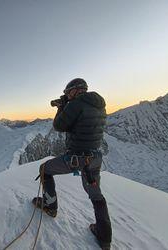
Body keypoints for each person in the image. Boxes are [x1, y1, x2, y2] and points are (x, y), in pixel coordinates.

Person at [32, 78, 112, 250]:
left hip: (77, 158)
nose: (67, 95)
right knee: (97, 196)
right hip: (94, 158)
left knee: (45, 169)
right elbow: (80, 125)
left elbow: (59, 125)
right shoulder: (99, 104)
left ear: (76, 91)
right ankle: (105, 238)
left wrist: (62, 107)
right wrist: (67, 104)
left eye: (68, 92)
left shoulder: (76, 104)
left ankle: (50, 206)